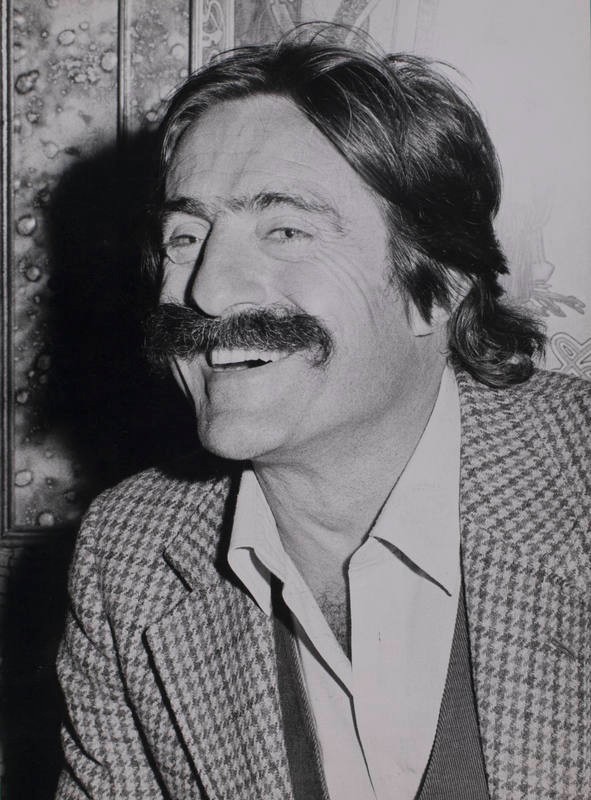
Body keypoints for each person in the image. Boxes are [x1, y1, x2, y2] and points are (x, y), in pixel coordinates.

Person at [55, 30, 590, 800]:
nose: (207, 290)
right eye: (186, 236)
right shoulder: (127, 554)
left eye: (285, 230)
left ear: (437, 287)